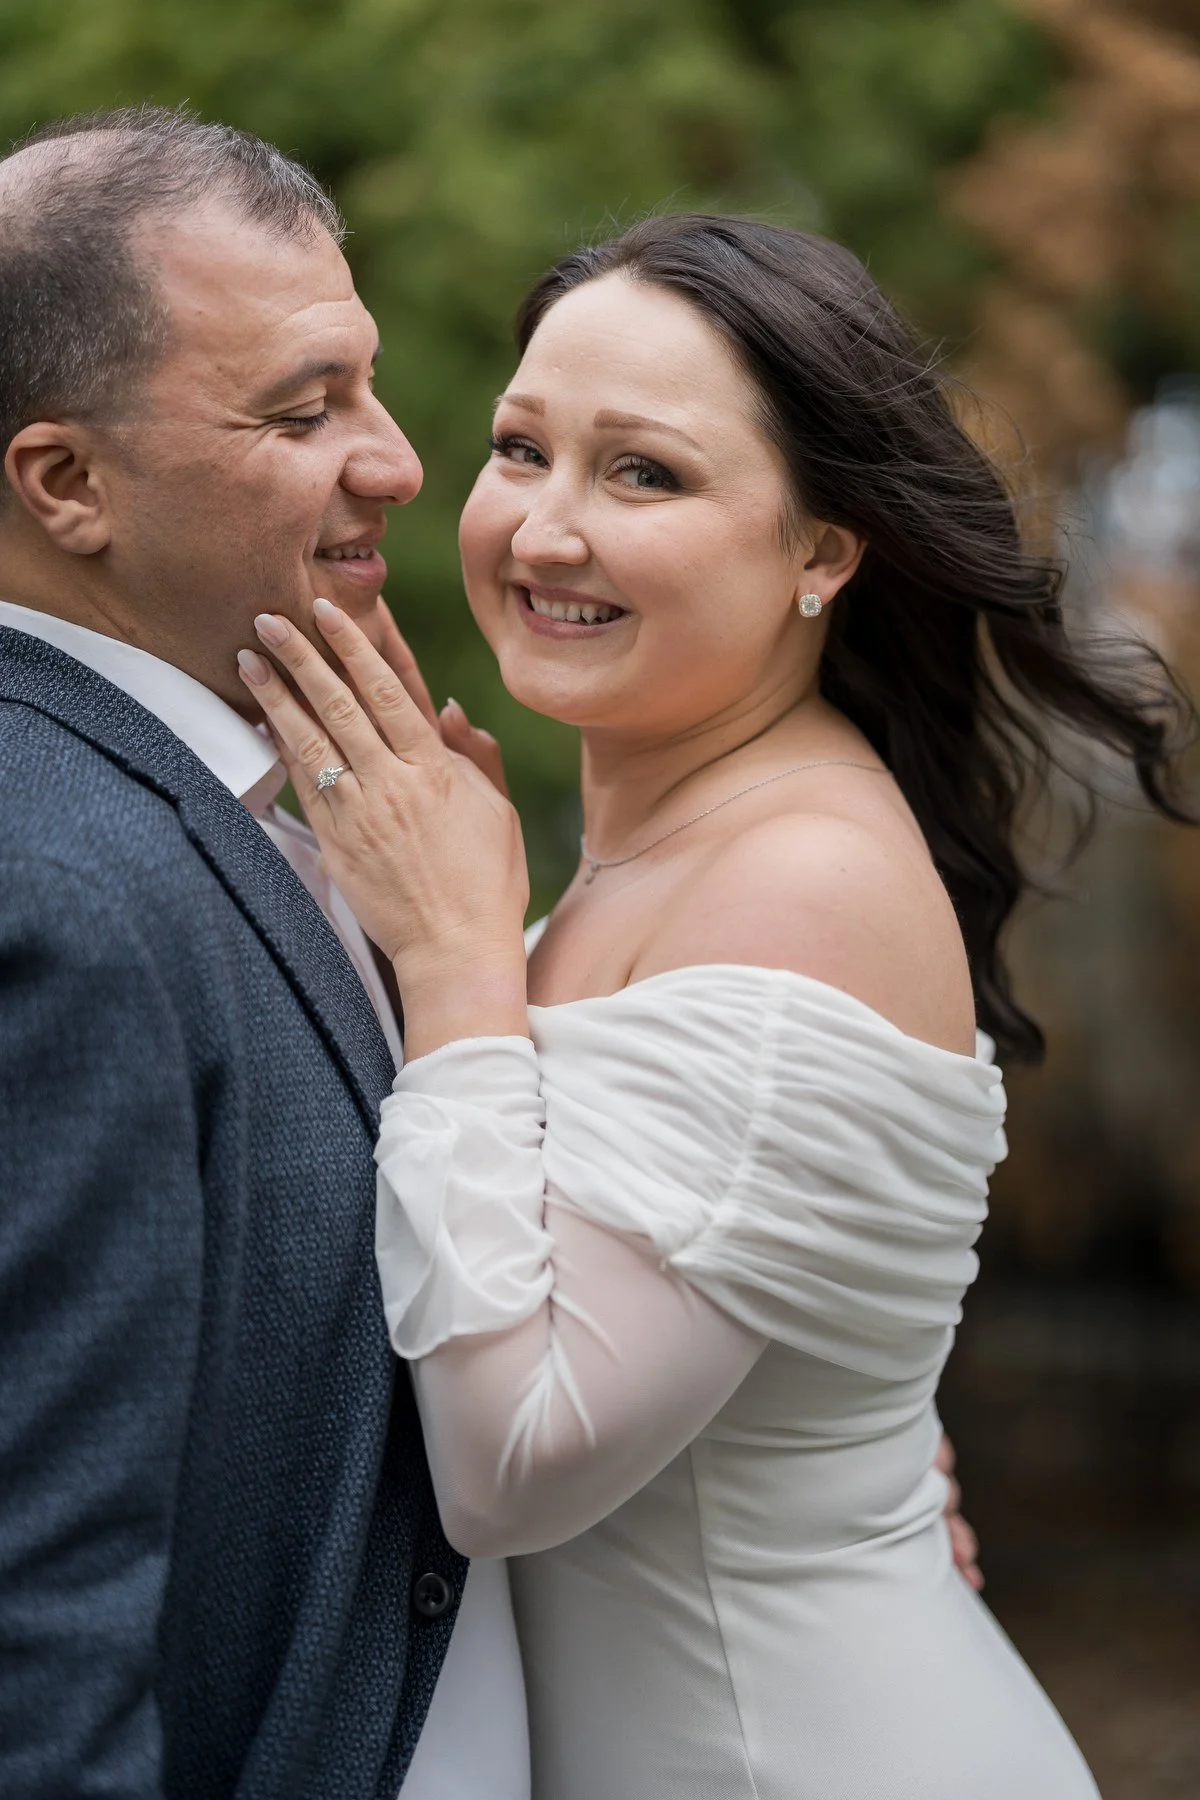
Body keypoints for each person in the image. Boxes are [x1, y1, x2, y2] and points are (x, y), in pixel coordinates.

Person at [244, 214, 1193, 1799]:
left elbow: (510, 1466)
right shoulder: (670, 840)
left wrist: (461, 964)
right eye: (522, 449)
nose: (546, 530)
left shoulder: (798, 878)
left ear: (824, 551)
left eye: (645, 474)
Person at [0, 105, 530, 1797]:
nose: (399, 463)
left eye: (367, 386)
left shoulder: (238, 816)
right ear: (66, 484)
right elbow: (42, 1612)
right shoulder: (56, 892)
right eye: (305, 412)